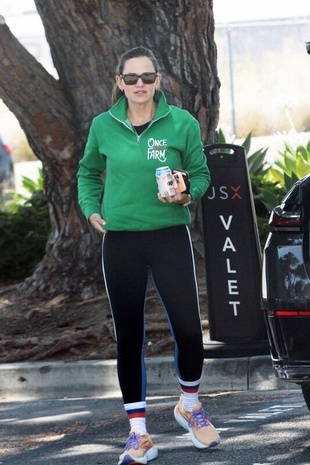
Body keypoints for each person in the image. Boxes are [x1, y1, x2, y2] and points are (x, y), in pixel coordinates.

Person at [77, 46, 221, 465]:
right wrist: (91, 210)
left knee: (190, 332)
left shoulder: (181, 123)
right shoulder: (103, 125)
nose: (139, 84)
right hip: (121, 241)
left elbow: (201, 173)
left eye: (147, 77)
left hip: (169, 237)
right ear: (119, 82)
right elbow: (88, 172)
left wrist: (187, 192)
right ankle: (138, 434)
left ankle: (189, 406)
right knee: (130, 338)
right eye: (131, 78)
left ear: (158, 80)